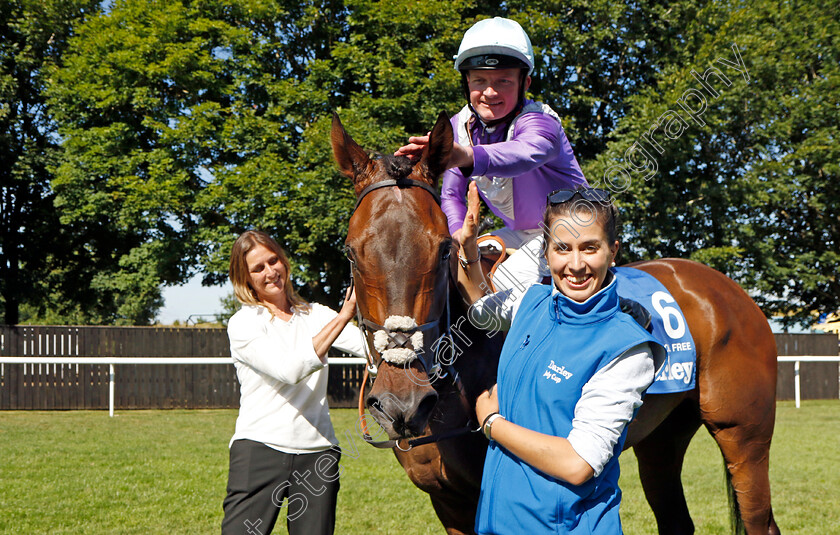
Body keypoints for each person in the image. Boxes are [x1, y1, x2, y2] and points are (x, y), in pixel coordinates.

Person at [458, 183, 665, 534]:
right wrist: (468, 250)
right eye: (562, 248)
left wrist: (492, 423)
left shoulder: (627, 347)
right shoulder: (530, 301)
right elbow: (479, 310)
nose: (576, 264)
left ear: (612, 252)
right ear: (546, 252)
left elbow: (577, 463)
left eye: (590, 248)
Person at [396, 16, 588, 293]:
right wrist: (459, 233)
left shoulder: (540, 120)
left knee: (508, 278)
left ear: (525, 83)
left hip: (574, 229)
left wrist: (465, 155)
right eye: (480, 80)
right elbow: (451, 195)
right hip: (520, 234)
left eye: (504, 81)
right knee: (451, 263)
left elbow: (524, 154)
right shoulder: (458, 126)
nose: (489, 92)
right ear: (466, 83)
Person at [221, 230, 365, 535]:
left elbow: (372, 347)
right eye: (258, 268)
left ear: (284, 261)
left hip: (318, 456)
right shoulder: (244, 323)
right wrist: (343, 317)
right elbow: (289, 369)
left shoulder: (316, 314)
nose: (270, 272)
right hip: (259, 451)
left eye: (273, 261)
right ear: (245, 278)